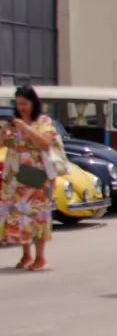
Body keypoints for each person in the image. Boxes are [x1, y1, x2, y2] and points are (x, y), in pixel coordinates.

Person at [1, 86, 58, 270]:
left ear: (33, 103)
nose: (21, 107)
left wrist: (25, 128)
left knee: (37, 214)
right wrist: (4, 131)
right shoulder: (14, 122)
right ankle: (26, 254)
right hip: (15, 176)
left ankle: (40, 257)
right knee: (19, 215)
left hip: (36, 176)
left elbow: (44, 143)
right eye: (18, 104)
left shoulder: (43, 121)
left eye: (24, 104)